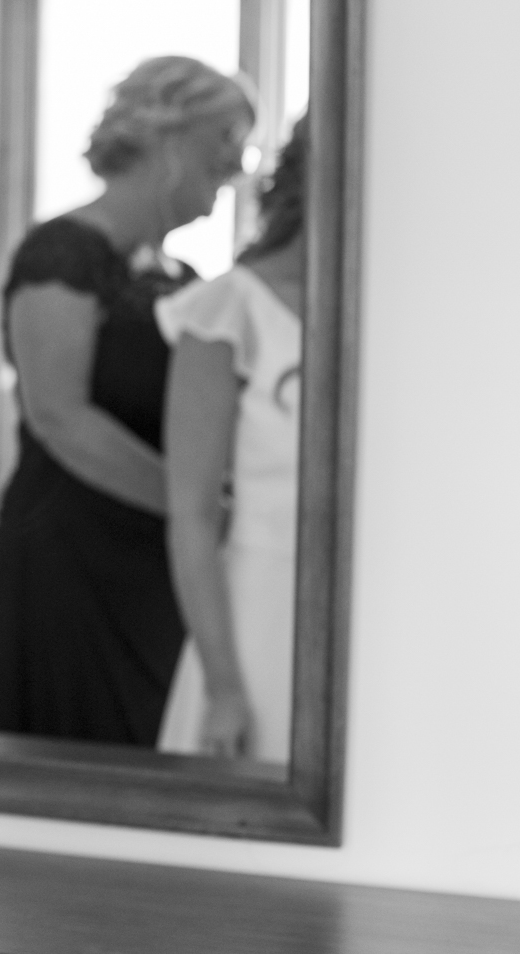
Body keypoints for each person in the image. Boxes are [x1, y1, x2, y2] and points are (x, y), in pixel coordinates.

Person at [0, 55, 254, 746]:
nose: (239, 166)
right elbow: (59, 417)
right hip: (71, 556)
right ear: (170, 140)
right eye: (227, 140)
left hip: (159, 561)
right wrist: (195, 510)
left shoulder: (186, 280)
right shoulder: (61, 252)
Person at [156, 115, 309, 763]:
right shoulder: (229, 308)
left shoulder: (395, 307)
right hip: (255, 618)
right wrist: (223, 686)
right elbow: (190, 514)